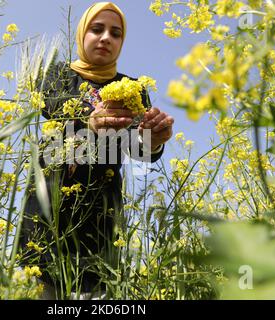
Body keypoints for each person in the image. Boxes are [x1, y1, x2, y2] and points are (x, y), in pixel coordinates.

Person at [21, 2, 174, 299]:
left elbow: (137, 150)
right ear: (82, 33)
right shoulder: (56, 73)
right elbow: (51, 107)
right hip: (48, 206)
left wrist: (154, 140)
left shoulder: (134, 88)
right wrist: (89, 119)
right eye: (97, 29)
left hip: (100, 215)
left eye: (115, 33)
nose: (106, 37)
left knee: (95, 291)